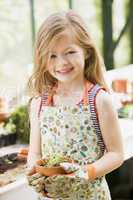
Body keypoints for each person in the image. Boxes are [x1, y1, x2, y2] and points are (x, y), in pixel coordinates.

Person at [27, 10, 124, 200]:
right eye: (52, 55)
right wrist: (34, 171)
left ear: (86, 51)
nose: (61, 62)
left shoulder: (99, 100)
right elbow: (35, 152)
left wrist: (82, 173)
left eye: (70, 52)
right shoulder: (39, 102)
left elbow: (116, 154)